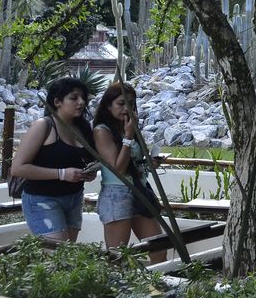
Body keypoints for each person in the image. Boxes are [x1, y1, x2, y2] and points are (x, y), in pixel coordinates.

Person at [12, 77, 98, 242]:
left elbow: (85, 160)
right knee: (57, 253)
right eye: (73, 98)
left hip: (74, 197)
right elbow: (18, 168)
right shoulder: (43, 125)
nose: (81, 102)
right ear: (57, 101)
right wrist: (61, 174)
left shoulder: (83, 128)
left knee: (67, 255)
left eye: (82, 98)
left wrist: (89, 173)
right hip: (42, 199)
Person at [92, 82, 166, 262]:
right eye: (121, 103)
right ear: (108, 105)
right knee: (118, 256)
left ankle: (158, 287)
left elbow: (134, 163)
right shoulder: (102, 131)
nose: (127, 108)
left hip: (139, 190)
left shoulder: (128, 127)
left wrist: (150, 163)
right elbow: (118, 168)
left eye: (131, 104)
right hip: (117, 194)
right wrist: (128, 137)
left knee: (159, 248)